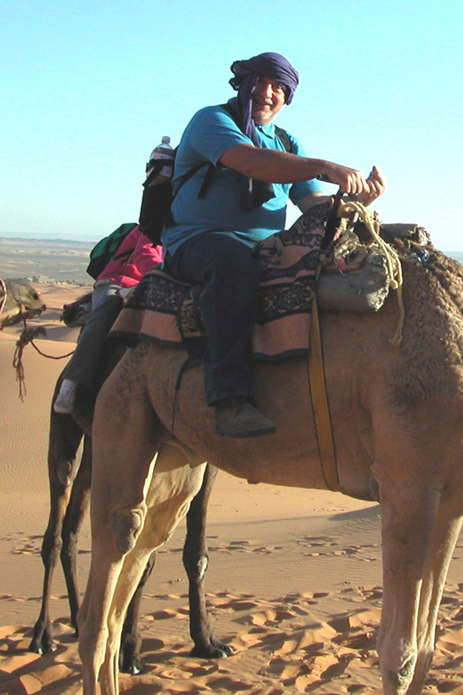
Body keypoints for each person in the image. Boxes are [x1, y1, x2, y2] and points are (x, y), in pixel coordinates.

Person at [162, 51, 386, 438]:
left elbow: (314, 205)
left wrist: (355, 203)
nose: (268, 93)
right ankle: (228, 397)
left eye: (279, 87)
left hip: (268, 246)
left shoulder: (286, 142)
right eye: (261, 83)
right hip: (198, 242)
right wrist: (325, 166)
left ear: (287, 96)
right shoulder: (212, 120)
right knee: (234, 267)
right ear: (244, 85)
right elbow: (250, 163)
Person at [53, 226, 162, 414]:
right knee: (106, 311)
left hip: (148, 286)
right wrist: (163, 276)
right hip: (117, 282)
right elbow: (144, 254)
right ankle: (70, 384)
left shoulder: (186, 232)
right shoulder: (150, 228)